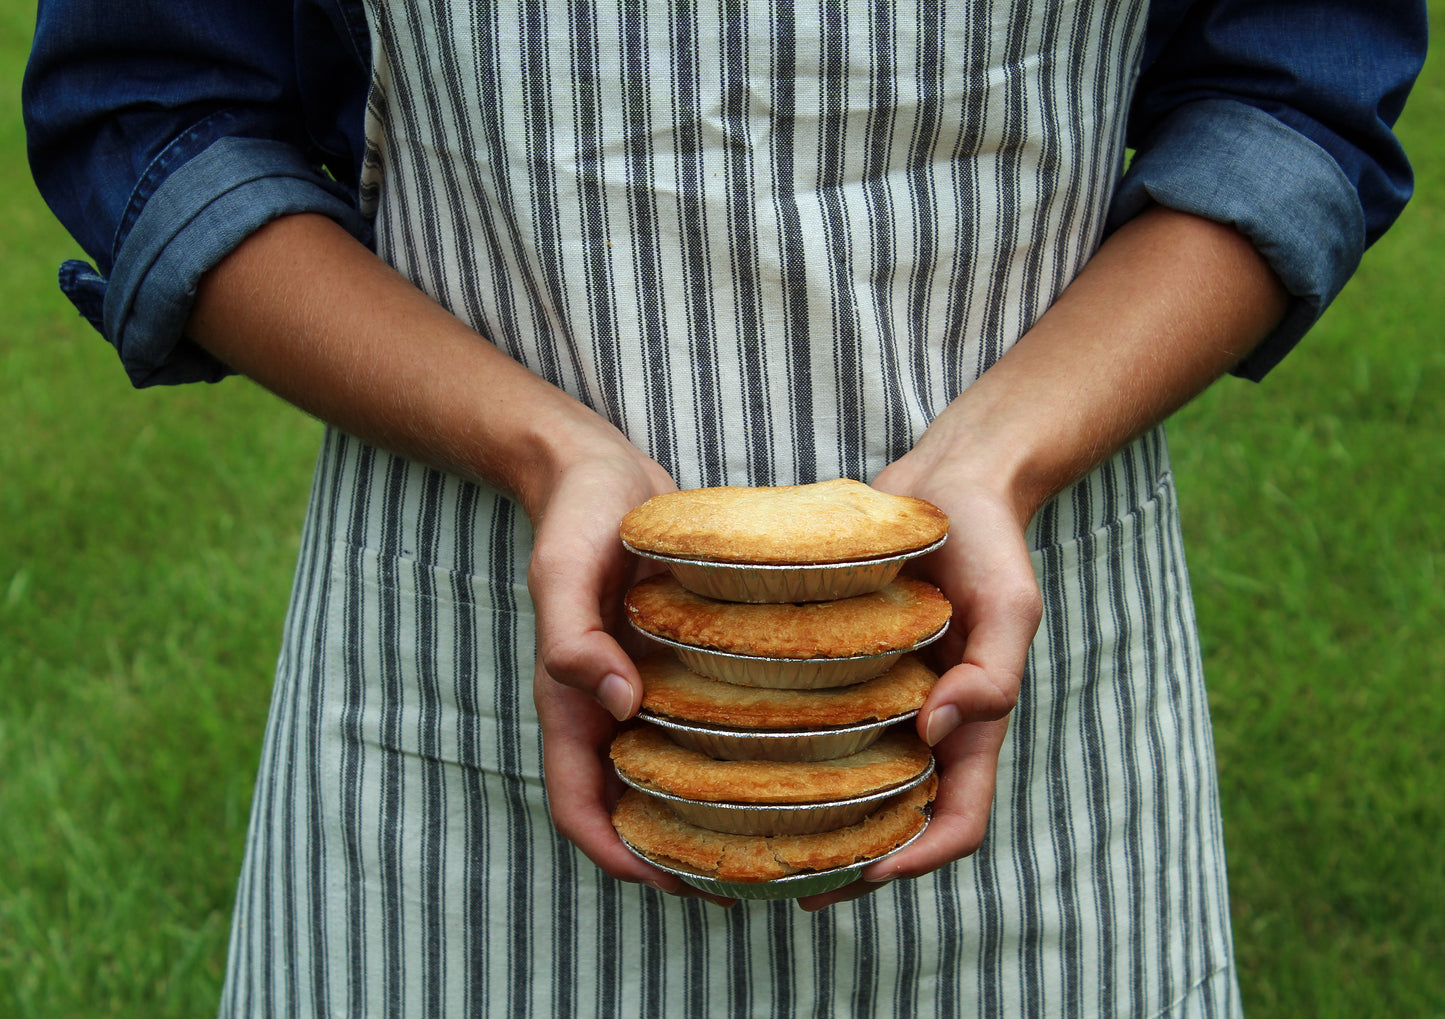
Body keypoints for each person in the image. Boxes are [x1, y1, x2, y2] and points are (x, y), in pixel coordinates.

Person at [24, 0, 1423, 1015]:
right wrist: (535, 448)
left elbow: (1291, 86)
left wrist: (1008, 452)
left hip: (1026, 689)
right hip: (451, 719)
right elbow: (158, 111)